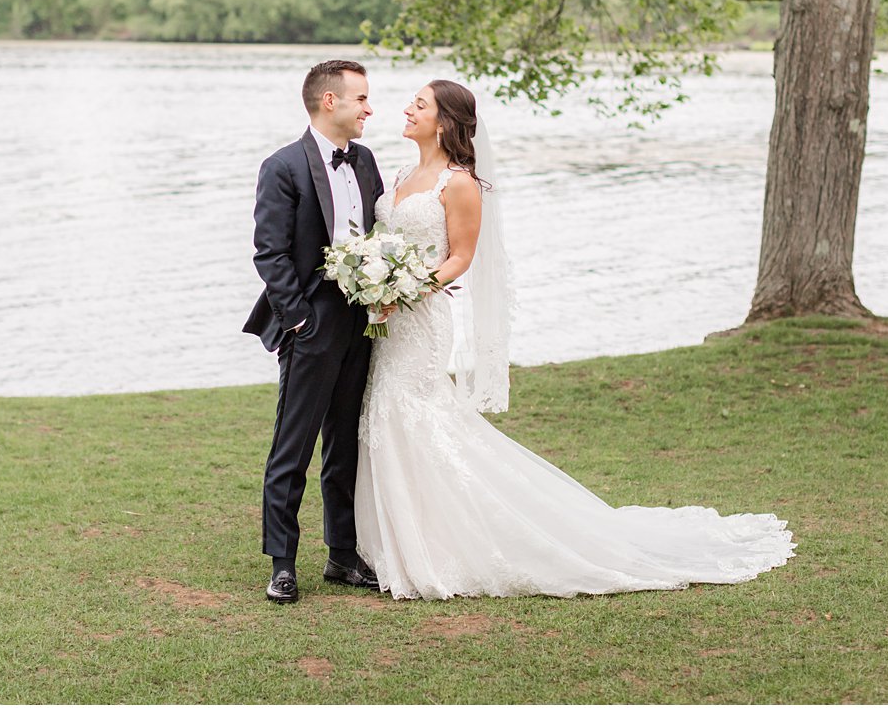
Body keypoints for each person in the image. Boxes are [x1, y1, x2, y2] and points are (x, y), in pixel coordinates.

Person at [353, 79, 797, 599]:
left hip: (421, 317)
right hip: (389, 319)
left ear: (445, 122)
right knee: (383, 413)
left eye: (419, 104)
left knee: (415, 414)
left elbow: (460, 259)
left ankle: (451, 543)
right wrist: (373, 280)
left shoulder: (459, 184)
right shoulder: (403, 173)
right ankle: (400, 541)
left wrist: (408, 289)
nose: (407, 109)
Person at [243, 59, 386, 603]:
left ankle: (342, 556)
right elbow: (270, 252)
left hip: (363, 319)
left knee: (345, 441)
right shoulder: (283, 167)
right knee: (293, 444)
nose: (369, 109)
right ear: (331, 102)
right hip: (312, 319)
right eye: (361, 99)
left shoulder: (366, 160)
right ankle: (282, 563)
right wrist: (298, 318)